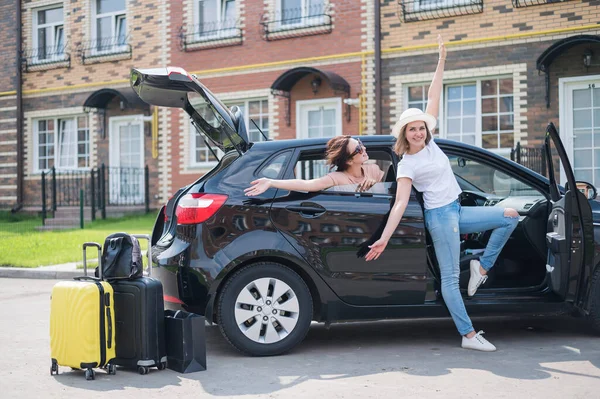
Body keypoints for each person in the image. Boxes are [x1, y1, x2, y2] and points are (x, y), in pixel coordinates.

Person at [365, 35, 519, 352]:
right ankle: (468, 335)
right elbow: (400, 204)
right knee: (449, 279)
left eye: (421, 126)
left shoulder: (431, 143)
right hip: (440, 218)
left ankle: (482, 268)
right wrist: (384, 236)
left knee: (509, 217)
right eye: (412, 129)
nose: (419, 131)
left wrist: (442, 60)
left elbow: (434, 97)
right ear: (405, 134)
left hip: (457, 210)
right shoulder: (408, 164)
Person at [244, 136, 385, 196]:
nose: (364, 148)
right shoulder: (337, 178)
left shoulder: (374, 170)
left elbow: (394, 192)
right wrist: (270, 182)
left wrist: (377, 185)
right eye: (358, 149)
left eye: (360, 144)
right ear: (348, 160)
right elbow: (308, 184)